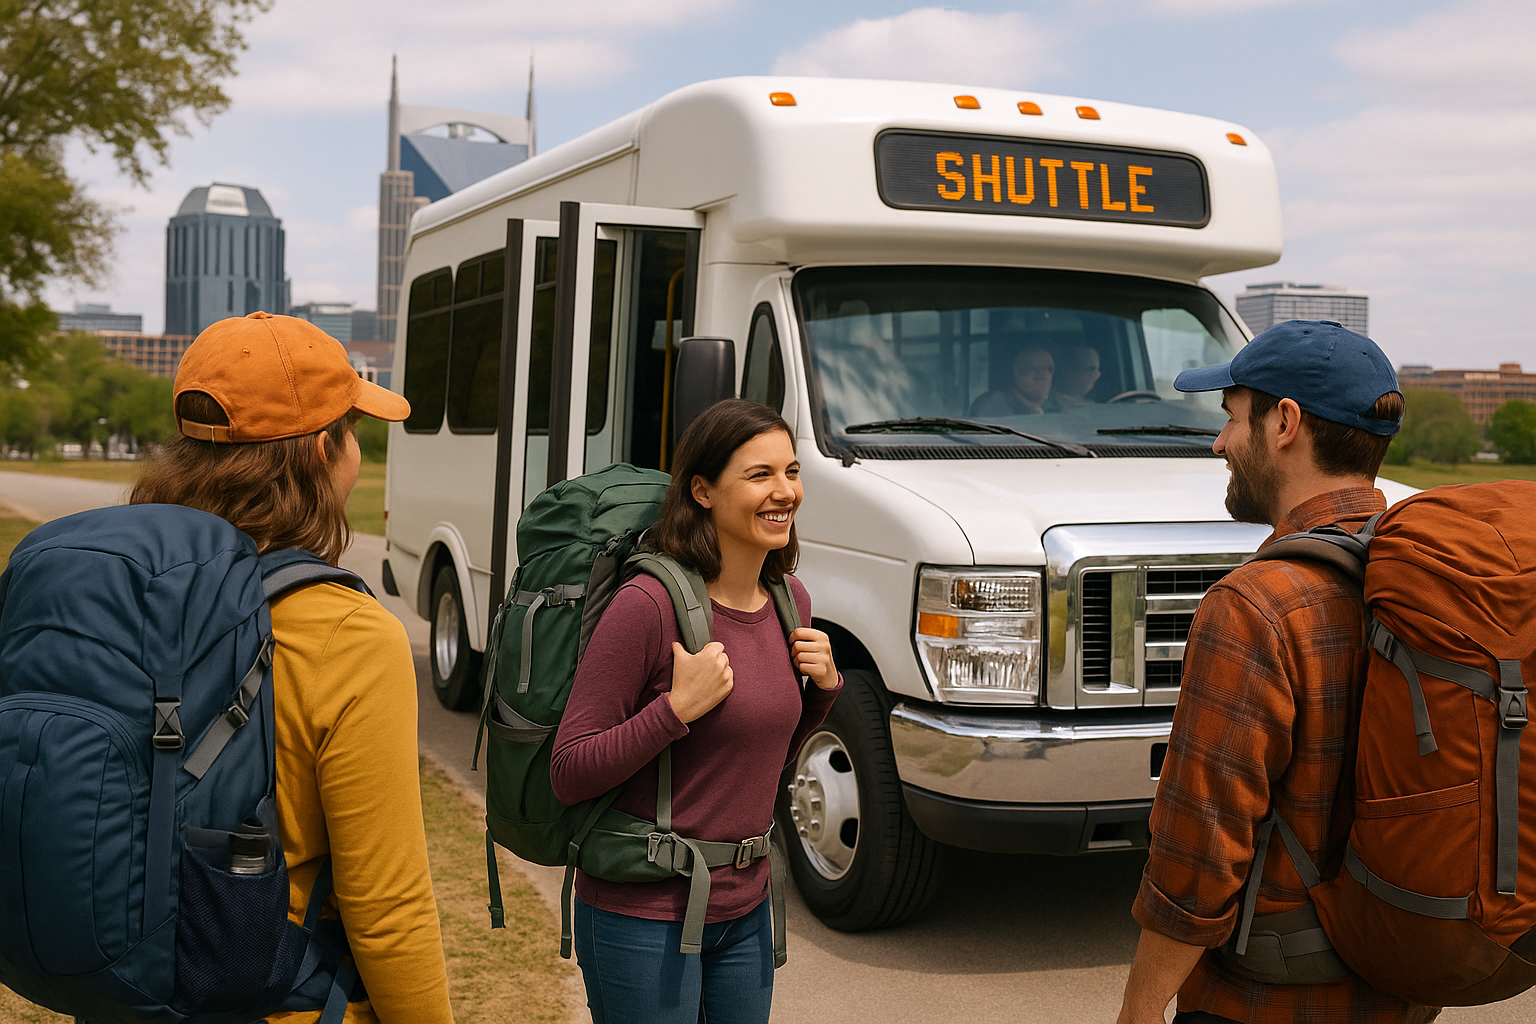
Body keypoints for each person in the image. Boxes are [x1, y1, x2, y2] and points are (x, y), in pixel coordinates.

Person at [128, 312, 455, 1024]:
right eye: (354, 433)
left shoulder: (124, 594)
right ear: (320, 450)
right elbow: (386, 905)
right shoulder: (349, 633)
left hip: (129, 982)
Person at [1116, 320, 1437, 1024]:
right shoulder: (1428, 580)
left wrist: (1137, 1013)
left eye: (1232, 418)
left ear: (1285, 422)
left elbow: (1197, 859)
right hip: (1404, 989)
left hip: (1266, 1002)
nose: (1220, 443)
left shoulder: (1254, 608)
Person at [550, 398, 843, 1024]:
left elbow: (751, 759)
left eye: (791, 472)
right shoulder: (648, 604)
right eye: (759, 475)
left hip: (746, 909)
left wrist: (821, 691)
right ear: (702, 490)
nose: (784, 491)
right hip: (642, 914)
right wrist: (674, 709)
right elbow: (569, 769)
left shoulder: (791, 601)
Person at [971, 343, 1058, 416]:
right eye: (1031, 368)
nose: (1042, 374)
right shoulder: (994, 406)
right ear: (1013, 372)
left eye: (1048, 368)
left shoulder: (1058, 405)